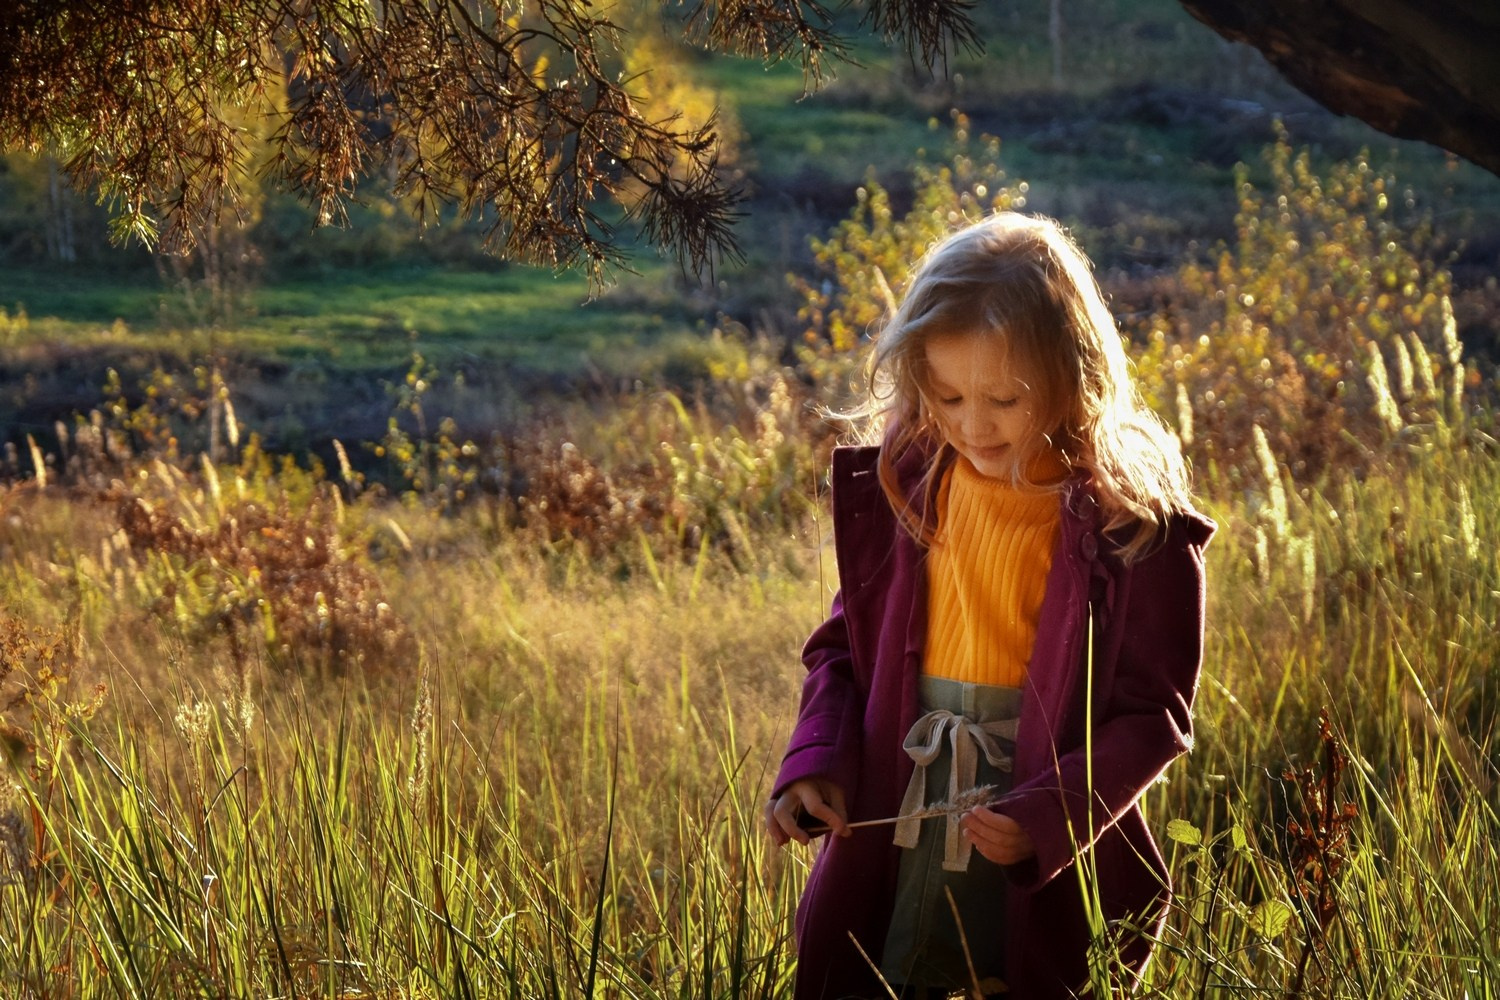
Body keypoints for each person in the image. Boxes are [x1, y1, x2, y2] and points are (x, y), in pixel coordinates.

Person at [765, 212, 1214, 999]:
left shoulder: (1133, 526)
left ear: (1074, 377)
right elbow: (843, 649)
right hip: (902, 792)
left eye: (1005, 398)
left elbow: (1154, 716)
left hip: (1034, 806)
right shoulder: (910, 485)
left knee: (1018, 972)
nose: (973, 425)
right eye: (947, 394)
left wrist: (1050, 818)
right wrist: (817, 766)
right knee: (886, 971)